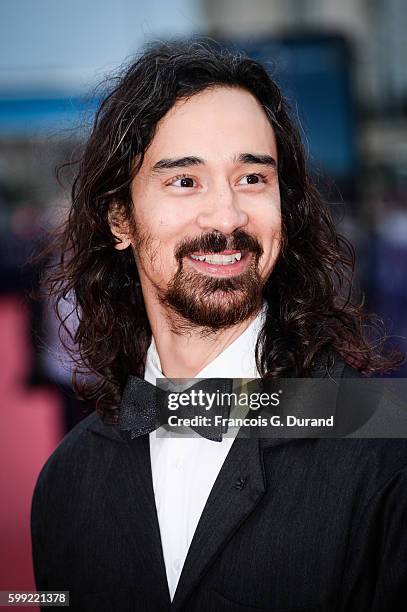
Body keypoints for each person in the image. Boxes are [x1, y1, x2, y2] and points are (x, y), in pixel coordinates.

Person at [31, 40, 407, 611]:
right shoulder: (66, 482)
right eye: (185, 181)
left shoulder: (387, 449)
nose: (227, 216)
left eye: (253, 178)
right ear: (120, 218)